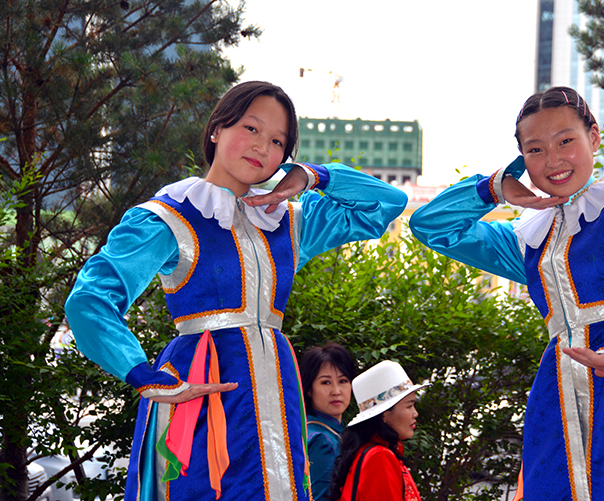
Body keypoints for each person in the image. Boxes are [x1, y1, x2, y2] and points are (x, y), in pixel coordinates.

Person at [64, 81, 408, 501]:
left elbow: (386, 202)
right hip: (203, 392)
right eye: (250, 128)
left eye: (278, 141)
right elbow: (90, 300)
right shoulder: (167, 217)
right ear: (216, 129)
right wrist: (142, 375)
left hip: (276, 392)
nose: (262, 146)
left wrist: (315, 175)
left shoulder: (287, 221)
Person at [409, 86, 604, 501]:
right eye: (535, 150)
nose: (554, 160)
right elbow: (431, 225)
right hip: (559, 393)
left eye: (566, 141)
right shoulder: (530, 240)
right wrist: (494, 189)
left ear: (593, 138)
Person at [328, 361, 427, 501]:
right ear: (384, 414)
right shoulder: (379, 457)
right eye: (409, 406)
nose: (415, 413)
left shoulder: (372, 451)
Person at [299, 342, 358, 501]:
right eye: (326, 382)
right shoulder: (321, 440)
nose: (336, 391)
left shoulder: (309, 429)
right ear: (309, 389)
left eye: (343, 381)